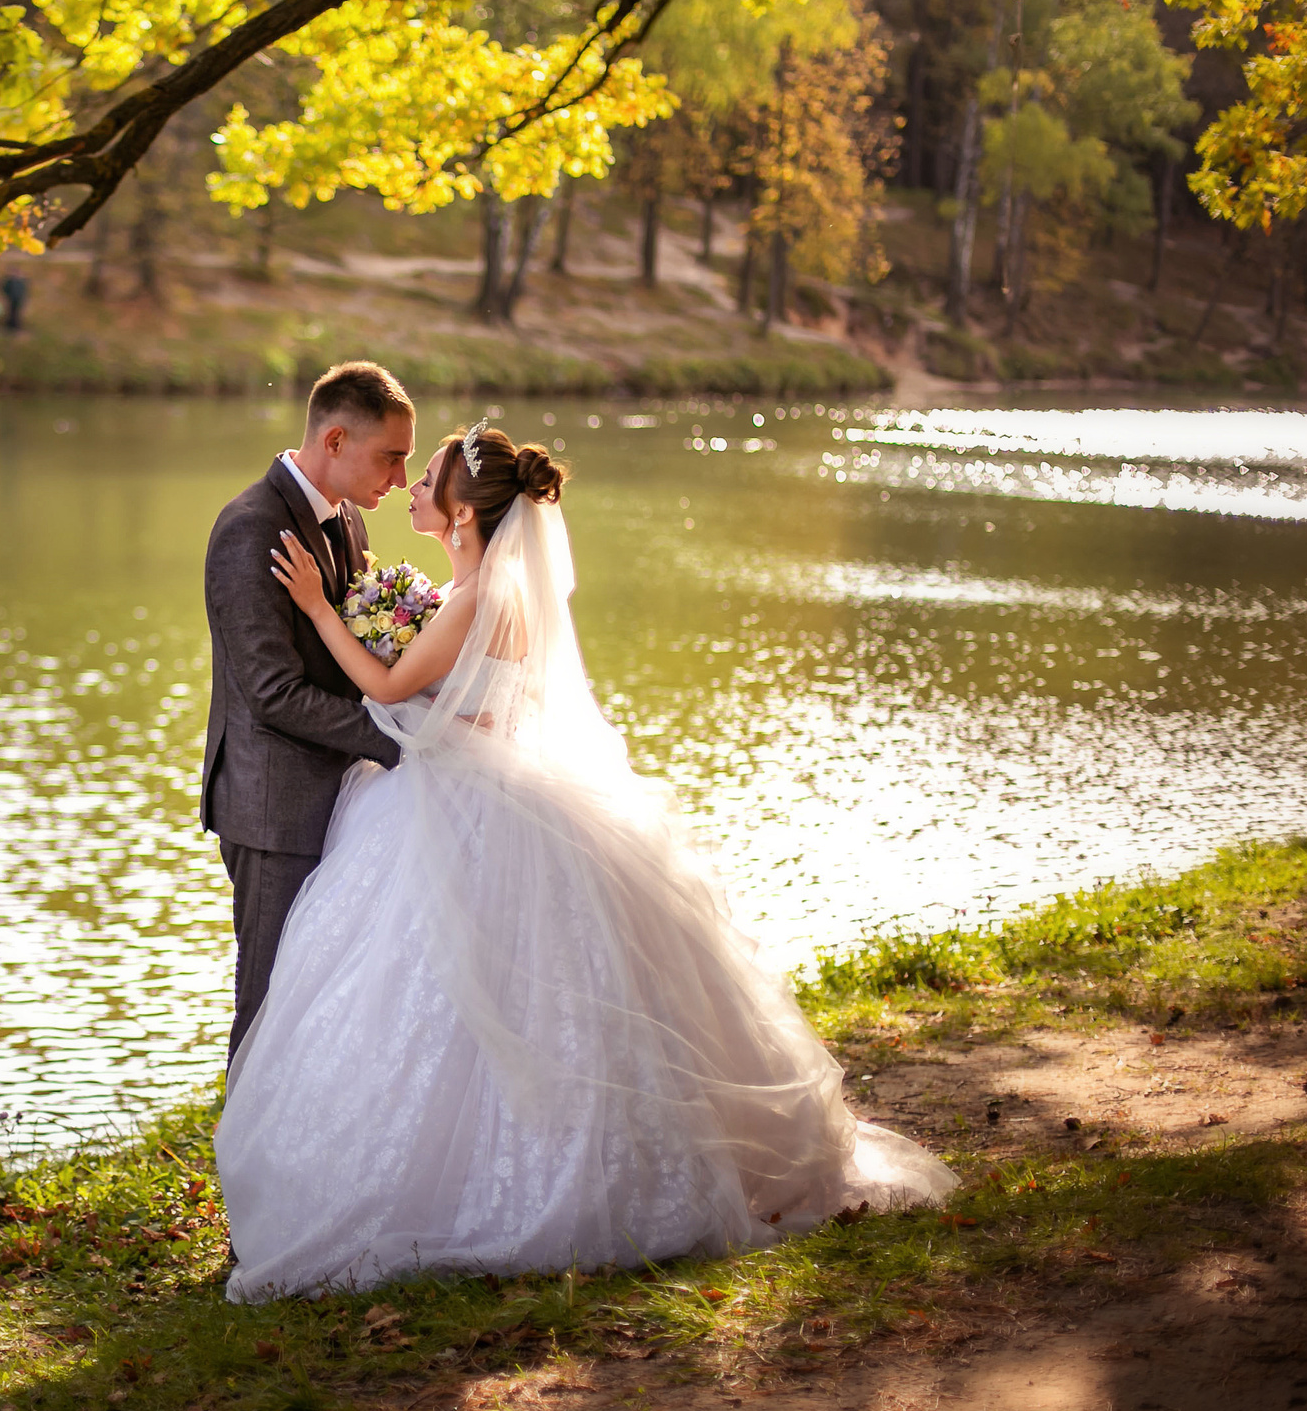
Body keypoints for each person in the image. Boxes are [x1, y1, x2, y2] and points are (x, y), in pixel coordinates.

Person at [216, 420, 957, 1301]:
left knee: (452, 983)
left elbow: (384, 689)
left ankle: (459, 1174)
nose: (410, 486)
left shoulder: (472, 598)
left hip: (458, 799)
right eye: (402, 469)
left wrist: (317, 611)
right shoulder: (496, 593)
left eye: (427, 480)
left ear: (459, 515)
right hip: (503, 788)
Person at [201, 362, 417, 1064]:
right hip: (274, 808)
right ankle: (241, 1163)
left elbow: (346, 645)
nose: (401, 476)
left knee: (319, 998)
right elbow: (271, 691)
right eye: (391, 456)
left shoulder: (345, 518)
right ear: (334, 440)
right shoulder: (249, 528)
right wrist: (397, 739)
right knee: (267, 1005)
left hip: (341, 798)